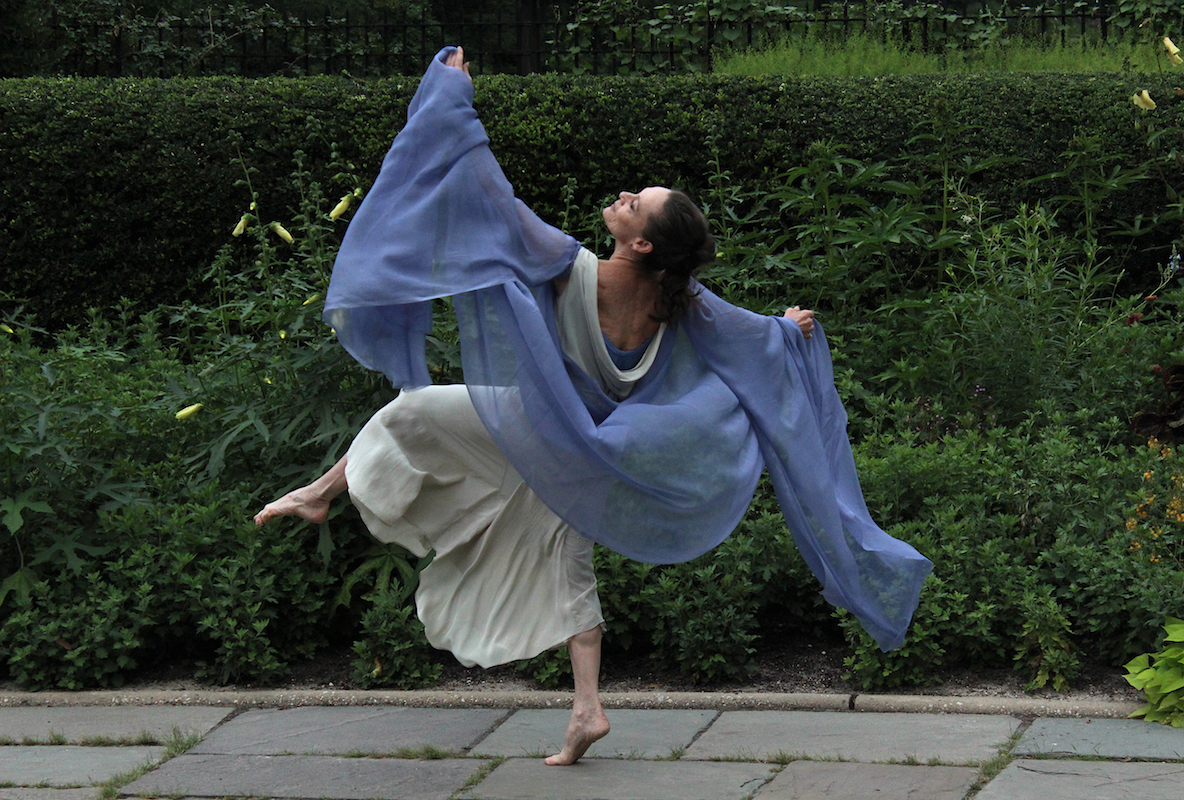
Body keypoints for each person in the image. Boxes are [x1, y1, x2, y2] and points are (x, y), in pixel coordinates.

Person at [256, 46, 931, 766]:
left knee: (413, 415)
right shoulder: (683, 304)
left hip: (561, 435)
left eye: (635, 203)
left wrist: (452, 99)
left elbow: (486, 193)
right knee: (558, 549)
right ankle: (584, 709)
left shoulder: (566, 264)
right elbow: (751, 339)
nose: (623, 196)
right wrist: (787, 332)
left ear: (640, 241)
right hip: (592, 447)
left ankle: (324, 496)